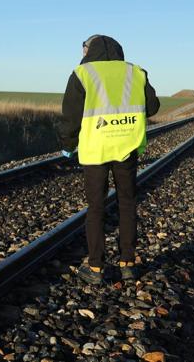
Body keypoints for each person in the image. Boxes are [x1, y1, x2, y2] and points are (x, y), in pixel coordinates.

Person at [60, 35, 160, 284]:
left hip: (95, 150)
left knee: (96, 208)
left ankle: (95, 267)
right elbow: (153, 106)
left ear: (88, 50)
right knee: (127, 203)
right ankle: (127, 263)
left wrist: (69, 145)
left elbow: (71, 116)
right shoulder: (136, 72)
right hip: (127, 146)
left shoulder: (82, 73)